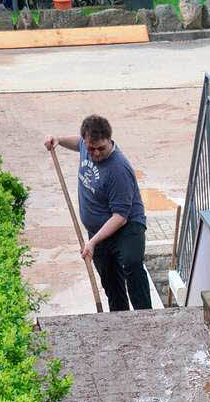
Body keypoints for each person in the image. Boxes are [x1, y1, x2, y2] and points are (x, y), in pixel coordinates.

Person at [44, 115, 152, 311]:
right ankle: (120, 322)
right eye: (91, 148)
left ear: (109, 140)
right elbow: (78, 142)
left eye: (100, 148)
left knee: (131, 266)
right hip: (98, 229)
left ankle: (146, 319)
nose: (96, 153)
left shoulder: (119, 169)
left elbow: (120, 217)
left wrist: (92, 243)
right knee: (111, 283)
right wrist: (59, 140)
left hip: (126, 227)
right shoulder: (86, 145)